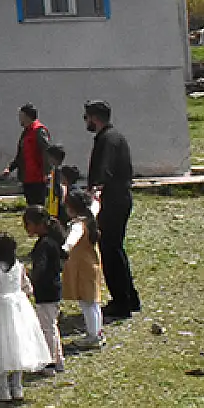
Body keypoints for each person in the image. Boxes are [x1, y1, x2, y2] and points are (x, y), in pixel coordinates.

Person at [0, 233, 51, 402]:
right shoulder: (19, 265)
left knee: (0, 345)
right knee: (18, 344)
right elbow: (27, 286)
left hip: (0, 308)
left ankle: (2, 388)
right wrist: (24, 297)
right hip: (19, 306)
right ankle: (17, 387)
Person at [84, 100, 142, 320]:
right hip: (118, 199)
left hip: (113, 201)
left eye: (86, 117)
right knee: (116, 249)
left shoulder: (107, 139)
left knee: (110, 251)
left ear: (94, 117)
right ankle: (129, 297)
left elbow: (104, 169)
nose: (86, 122)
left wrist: (94, 191)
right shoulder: (113, 137)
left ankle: (121, 303)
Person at [22, 206, 66, 374]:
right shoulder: (51, 241)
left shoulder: (44, 245)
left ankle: (50, 363)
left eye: (28, 225)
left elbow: (40, 269)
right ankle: (58, 360)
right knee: (51, 326)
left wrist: (28, 278)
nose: (27, 229)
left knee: (47, 328)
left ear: (38, 224)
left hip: (46, 291)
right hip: (53, 289)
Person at [62, 189, 105, 348]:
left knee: (87, 303)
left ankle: (93, 336)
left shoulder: (78, 225)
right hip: (92, 265)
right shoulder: (90, 217)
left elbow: (73, 239)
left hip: (82, 268)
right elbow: (95, 205)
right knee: (93, 301)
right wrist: (95, 197)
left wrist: (65, 248)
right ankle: (97, 332)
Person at [4, 104, 52, 207]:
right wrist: (10, 168)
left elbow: (47, 152)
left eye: (21, 116)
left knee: (38, 207)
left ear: (27, 116)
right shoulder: (25, 133)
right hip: (27, 177)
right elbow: (20, 155)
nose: (19, 119)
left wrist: (47, 173)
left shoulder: (39, 131)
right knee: (31, 206)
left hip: (38, 178)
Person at [44, 145, 68, 220]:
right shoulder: (54, 171)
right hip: (54, 203)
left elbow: (62, 186)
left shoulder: (59, 171)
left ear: (53, 158)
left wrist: (62, 200)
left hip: (58, 204)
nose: (47, 159)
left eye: (49, 157)